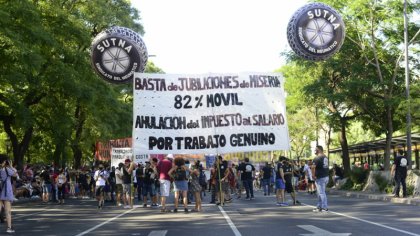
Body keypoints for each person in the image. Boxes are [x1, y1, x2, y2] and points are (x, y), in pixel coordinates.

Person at [0, 154, 17, 233]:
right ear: (4, 161)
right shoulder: (7, 169)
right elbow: (15, 174)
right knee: (7, 211)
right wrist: (10, 165)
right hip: (6, 191)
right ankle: (9, 228)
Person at [312, 145, 329, 212]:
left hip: (320, 177)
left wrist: (313, 175)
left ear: (318, 150)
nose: (314, 151)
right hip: (326, 176)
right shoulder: (325, 157)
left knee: (321, 193)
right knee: (319, 192)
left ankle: (325, 207)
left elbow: (313, 167)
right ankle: (319, 206)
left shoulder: (317, 158)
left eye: (315, 149)